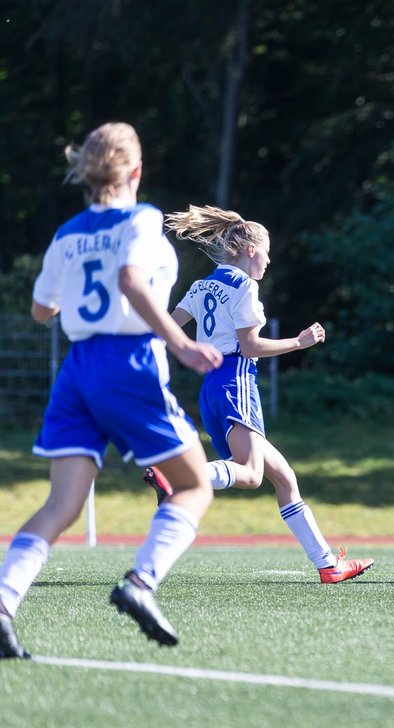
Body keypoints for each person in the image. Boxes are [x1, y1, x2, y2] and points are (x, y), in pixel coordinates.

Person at [0, 122, 223, 660]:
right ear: (136, 172)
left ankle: (3, 604)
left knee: (61, 505)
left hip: (78, 369)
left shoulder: (68, 233)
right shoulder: (142, 218)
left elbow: (40, 309)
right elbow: (129, 278)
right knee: (195, 486)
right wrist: (180, 344)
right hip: (127, 363)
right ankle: (141, 583)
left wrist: (71, 295)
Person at [159, 204, 372, 584]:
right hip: (236, 381)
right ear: (250, 249)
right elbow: (251, 347)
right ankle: (180, 479)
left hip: (211, 389)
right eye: (268, 251)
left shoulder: (202, 285)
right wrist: (299, 342)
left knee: (285, 478)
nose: (270, 260)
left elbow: (170, 330)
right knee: (253, 476)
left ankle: (328, 565)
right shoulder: (245, 287)